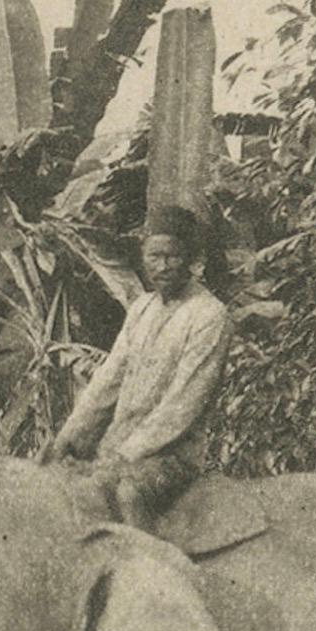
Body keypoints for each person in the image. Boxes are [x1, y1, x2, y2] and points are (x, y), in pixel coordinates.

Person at [44, 204, 231, 531]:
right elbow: (107, 382)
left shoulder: (209, 315)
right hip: (119, 444)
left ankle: (152, 573)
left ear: (190, 259)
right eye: (153, 256)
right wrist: (69, 436)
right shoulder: (141, 309)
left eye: (172, 257)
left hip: (171, 455)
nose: (162, 266)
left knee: (128, 493)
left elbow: (183, 403)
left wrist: (127, 453)